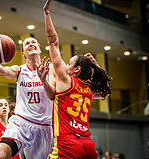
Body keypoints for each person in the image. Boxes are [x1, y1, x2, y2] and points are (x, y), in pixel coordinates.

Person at [41, 0, 112, 158]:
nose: (66, 65)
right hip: (88, 146)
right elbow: (106, 91)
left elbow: (53, 42)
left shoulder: (66, 80)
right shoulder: (88, 90)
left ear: (76, 69)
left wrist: (46, 14)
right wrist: (97, 66)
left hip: (68, 144)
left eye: (69, 63)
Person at [0, 35, 55, 159]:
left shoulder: (51, 68)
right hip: (21, 123)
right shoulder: (19, 70)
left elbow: (52, 95)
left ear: (40, 49)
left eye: (34, 42)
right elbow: (3, 71)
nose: (31, 44)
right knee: (0, 155)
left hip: (43, 126)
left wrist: (43, 80)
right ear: (23, 54)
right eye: (27, 44)